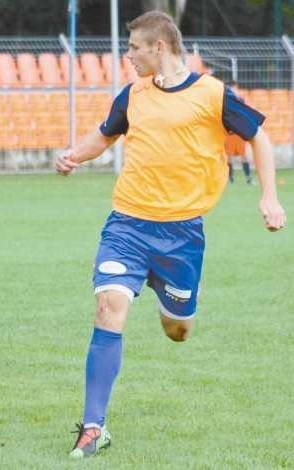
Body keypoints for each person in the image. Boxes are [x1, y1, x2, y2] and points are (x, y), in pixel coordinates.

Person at [55, 11, 286, 459]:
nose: (128, 56)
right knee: (109, 307)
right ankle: (92, 425)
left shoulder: (212, 93)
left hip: (182, 235)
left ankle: (168, 291)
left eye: (134, 48)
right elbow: (104, 136)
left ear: (159, 47)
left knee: (178, 330)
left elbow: (259, 137)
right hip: (127, 224)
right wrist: (73, 157)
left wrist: (270, 198)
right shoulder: (133, 95)